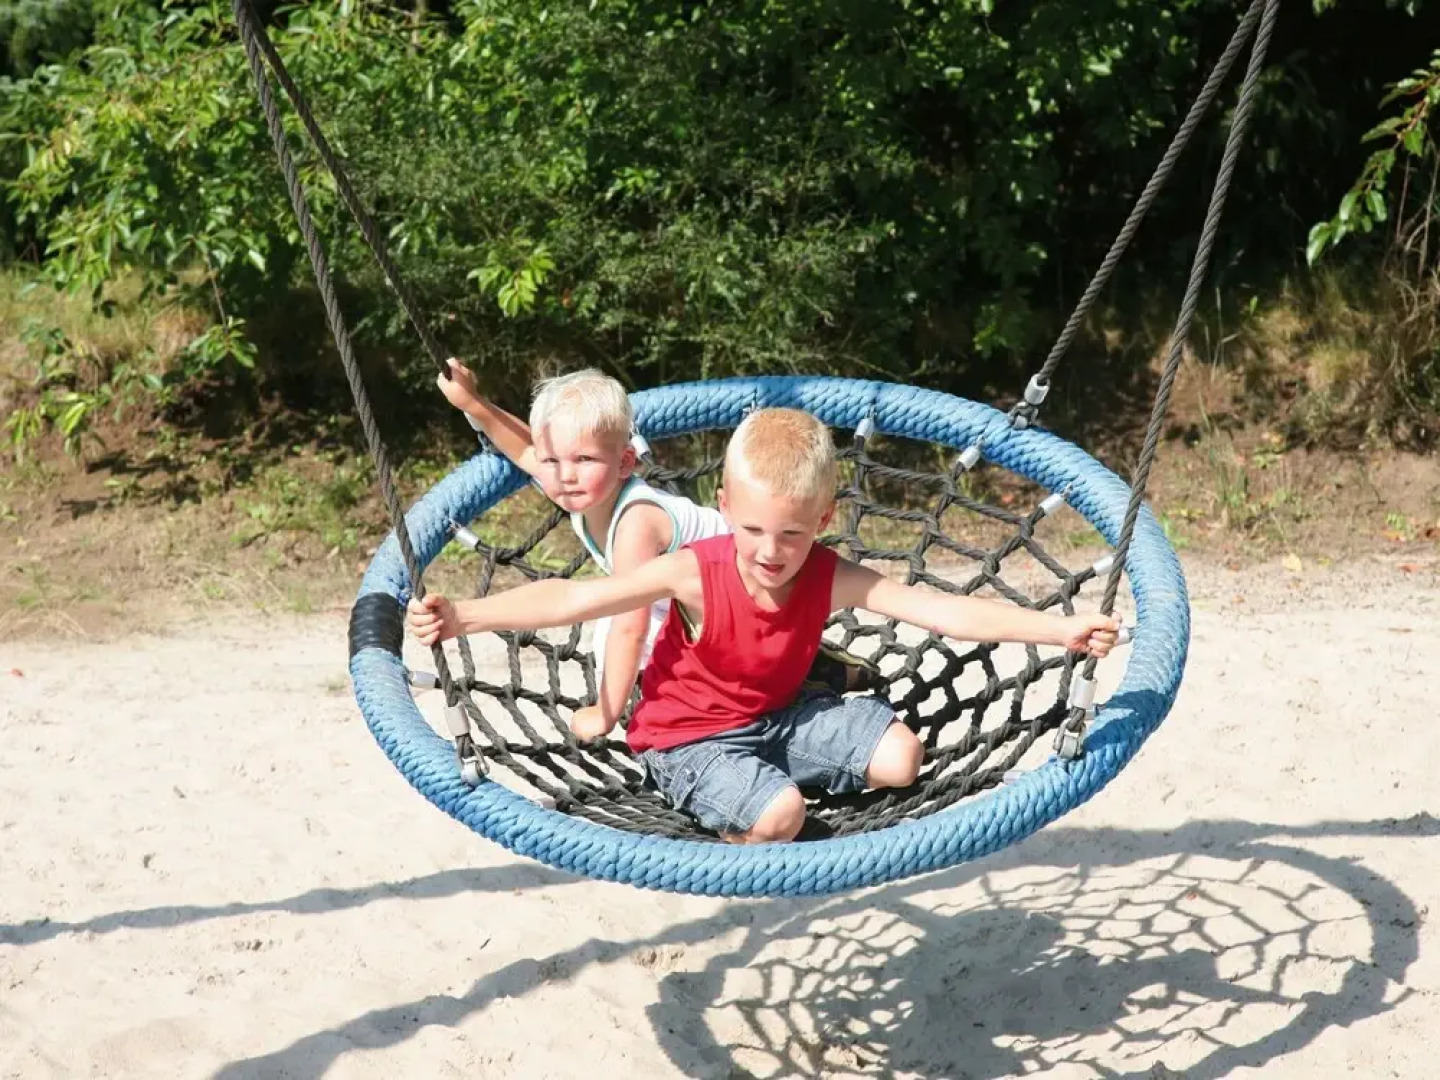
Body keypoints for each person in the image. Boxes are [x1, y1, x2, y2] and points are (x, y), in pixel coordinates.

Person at [409, 406, 1123, 844]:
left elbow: (943, 611)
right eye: (750, 528)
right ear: (723, 506)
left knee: (903, 759)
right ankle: (738, 818)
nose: (769, 552)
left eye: (791, 533)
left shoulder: (827, 574)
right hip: (685, 740)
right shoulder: (695, 569)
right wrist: (463, 615)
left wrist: (1059, 631)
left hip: (780, 716)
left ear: (823, 520)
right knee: (778, 818)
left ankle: (769, 779)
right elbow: (571, 600)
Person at [436, 358, 728, 740]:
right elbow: (526, 449)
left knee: (613, 625)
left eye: (584, 459)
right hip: (684, 599)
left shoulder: (635, 523)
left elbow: (631, 624)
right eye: (552, 461)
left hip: (737, 602)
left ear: (625, 462)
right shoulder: (578, 483)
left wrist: (605, 713)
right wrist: (472, 403)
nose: (565, 474)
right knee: (611, 624)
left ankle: (671, 703)